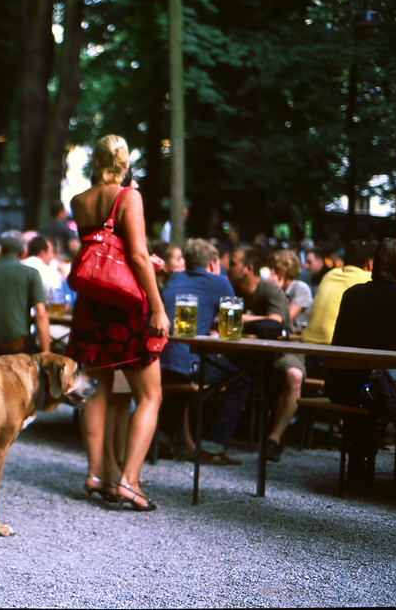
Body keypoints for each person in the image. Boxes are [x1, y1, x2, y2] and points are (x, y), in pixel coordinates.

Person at [65, 134, 169, 511]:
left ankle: (97, 474)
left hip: (92, 304)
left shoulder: (80, 201)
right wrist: (157, 307)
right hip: (126, 307)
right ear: (124, 163)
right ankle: (129, 482)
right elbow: (138, 256)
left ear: (96, 161)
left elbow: (100, 248)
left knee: (97, 386)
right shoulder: (129, 196)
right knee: (150, 395)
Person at [325, 239, 396, 494]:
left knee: (364, 383)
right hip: (377, 393)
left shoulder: (352, 294)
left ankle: (358, 464)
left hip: (340, 385)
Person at [159, 238, 249, 464]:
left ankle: (162, 440)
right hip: (189, 365)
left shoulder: (175, 278)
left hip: (161, 363)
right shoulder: (220, 282)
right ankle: (212, 448)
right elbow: (232, 325)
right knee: (242, 377)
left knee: (184, 375)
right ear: (213, 262)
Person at [227, 245, 299, 463]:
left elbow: (275, 321)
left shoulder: (271, 289)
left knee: (294, 375)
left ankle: (273, 439)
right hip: (247, 353)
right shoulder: (231, 288)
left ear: (248, 268)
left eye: (232, 263)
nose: (227, 267)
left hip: (282, 350)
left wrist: (234, 317)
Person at [0, 230, 49, 358]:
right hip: (16, 349)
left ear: (1, 249)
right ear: (24, 252)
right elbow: (41, 314)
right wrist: (46, 354)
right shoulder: (31, 273)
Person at [301, 239, 375, 347]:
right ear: (370, 262)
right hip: (333, 347)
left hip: (307, 344)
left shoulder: (330, 274)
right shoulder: (369, 279)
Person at [268, 249, 313, 335]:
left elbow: (284, 320)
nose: (272, 272)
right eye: (271, 268)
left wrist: (277, 291)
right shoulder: (274, 288)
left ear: (287, 271)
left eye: (276, 269)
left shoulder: (300, 288)